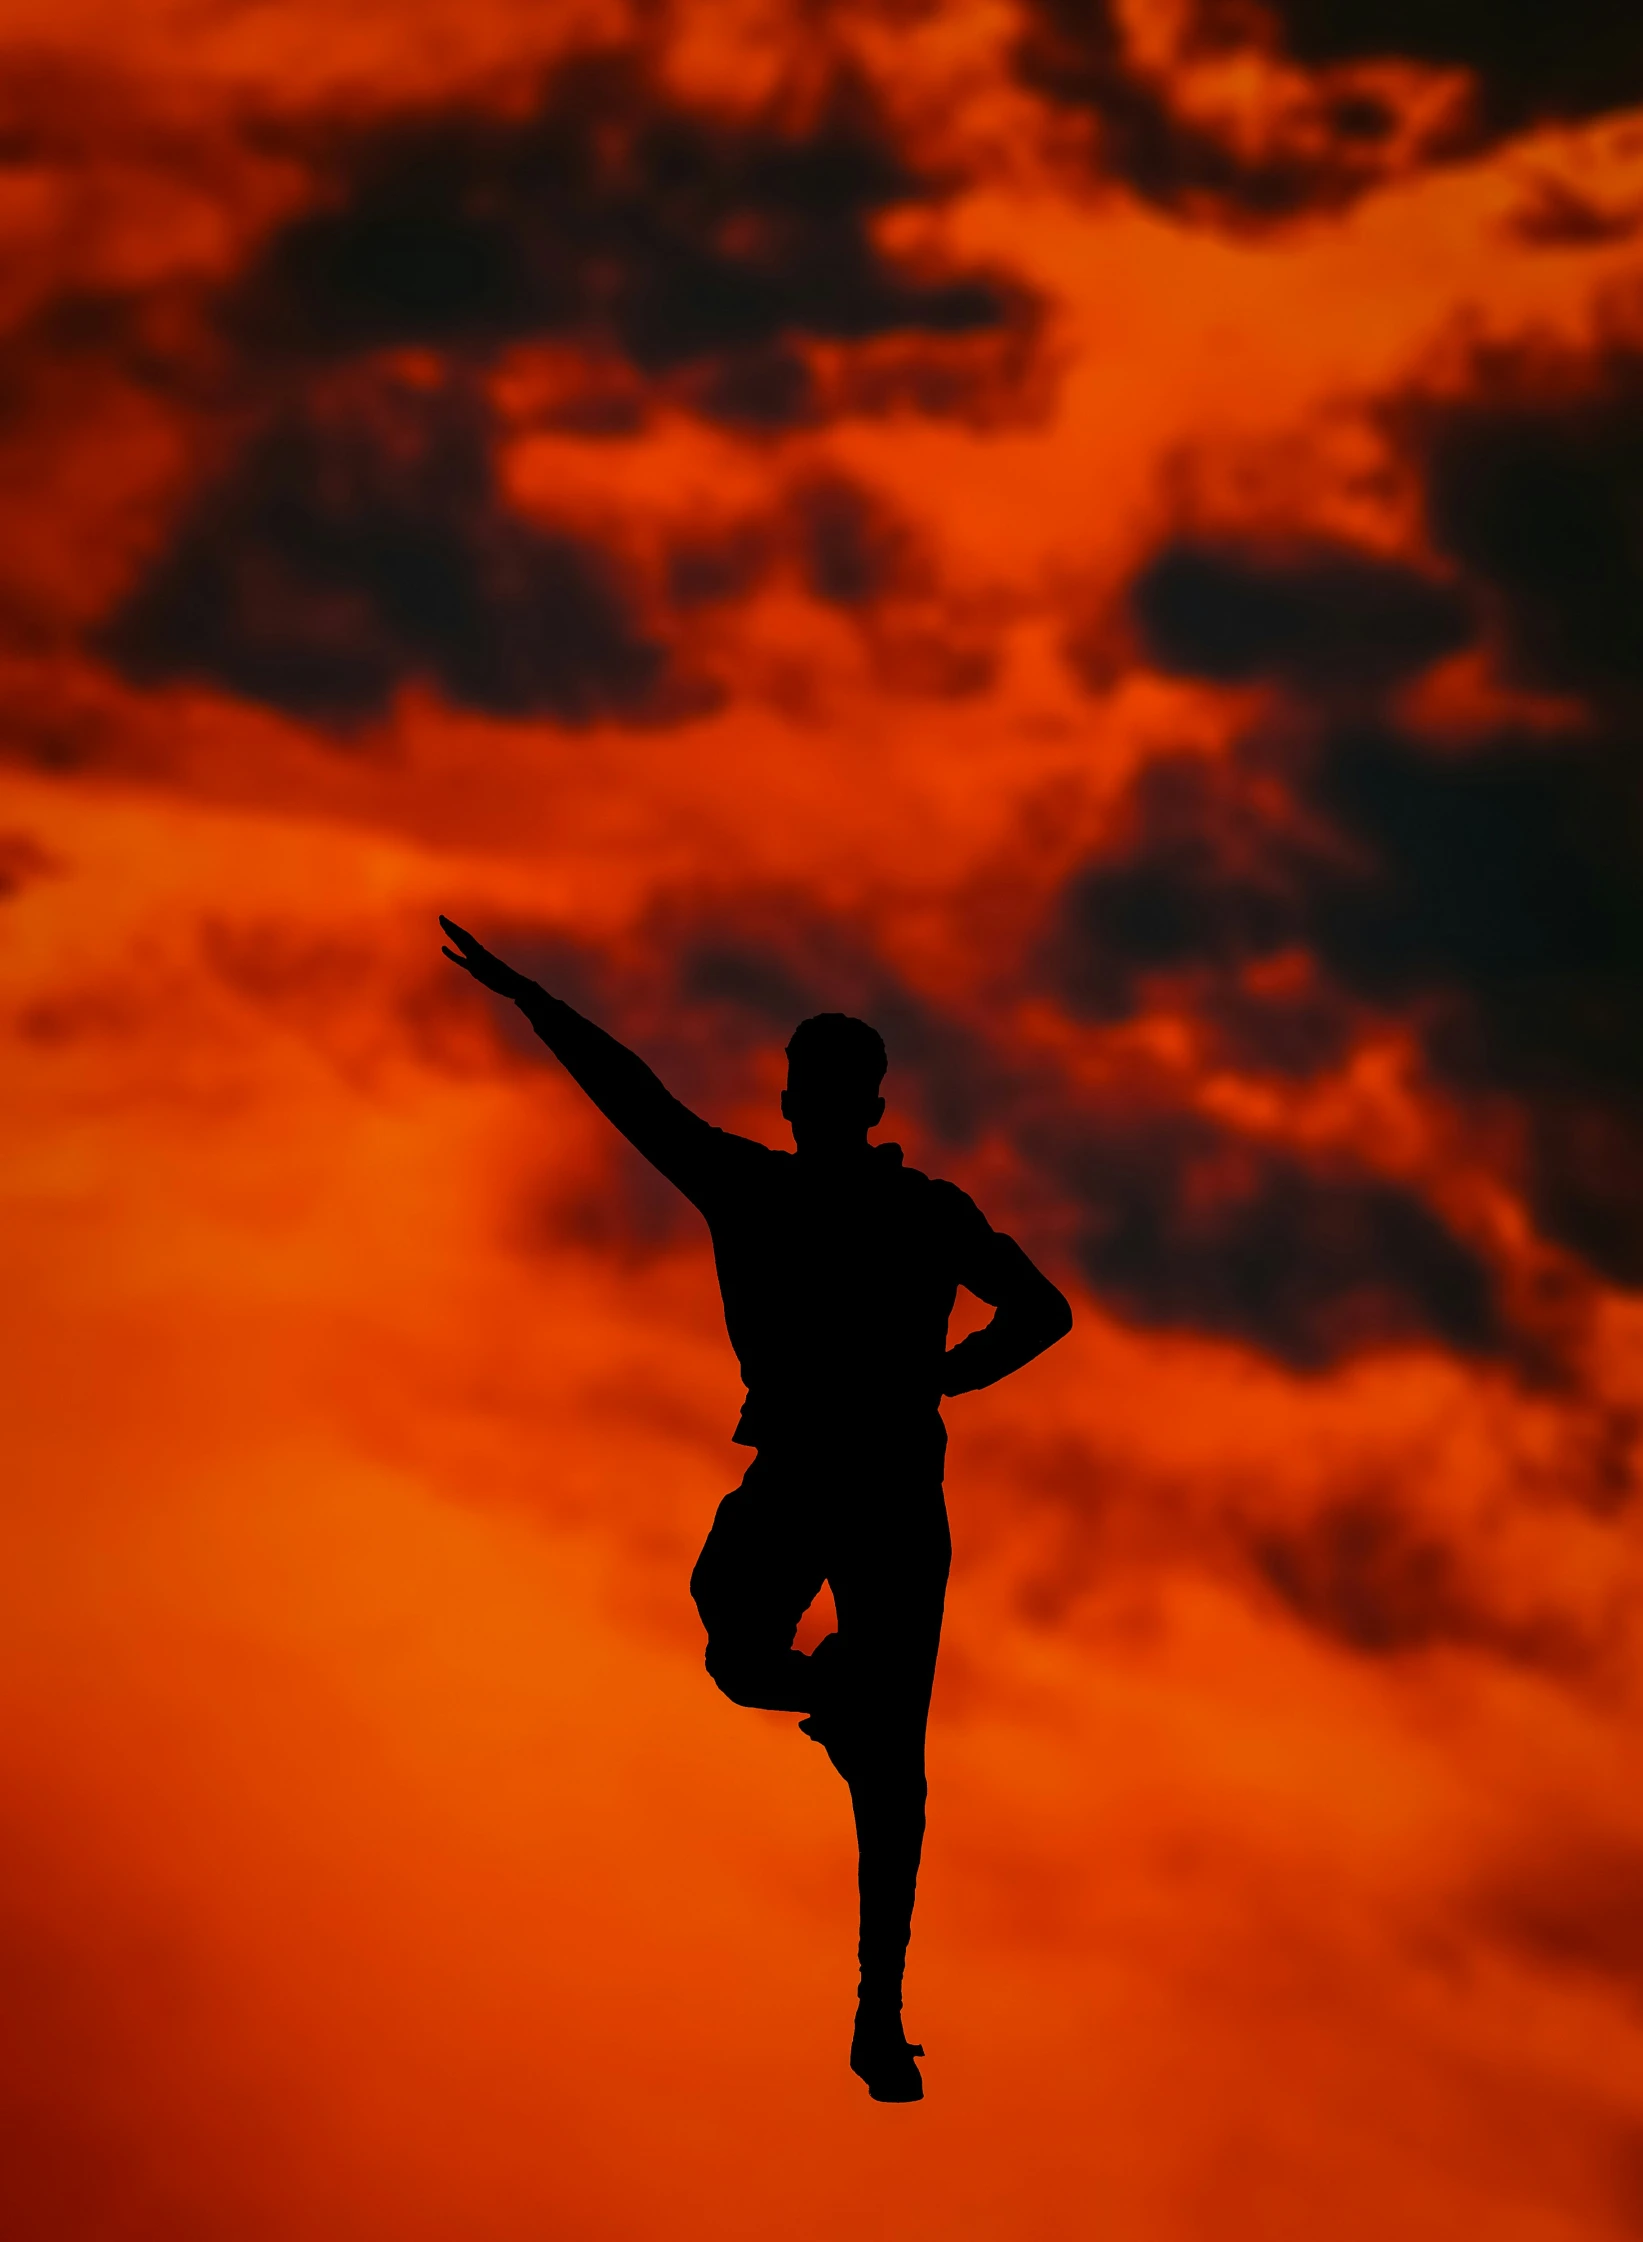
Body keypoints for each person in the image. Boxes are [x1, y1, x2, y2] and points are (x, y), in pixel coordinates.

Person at [439, 916, 1073, 2101]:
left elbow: (639, 1099)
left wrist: (947, 1375)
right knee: (781, 1678)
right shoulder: (846, 1203)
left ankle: (877, 2012)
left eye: (811, 1089)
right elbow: (1041, 1314)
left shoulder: (821, 1198)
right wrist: (534, 1004)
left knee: (824, 1714)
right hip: (856, 1479)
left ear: (828, 1103)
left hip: (854, 1482)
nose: (802, 1105)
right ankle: (838, 1732)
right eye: (805, 1088)